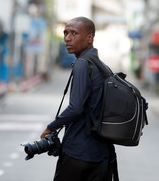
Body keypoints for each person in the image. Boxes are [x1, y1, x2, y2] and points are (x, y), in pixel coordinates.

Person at [40, 17, 116, 181]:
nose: (67, 38)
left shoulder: (83, 64)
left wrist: (50, 128)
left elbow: (76, 108)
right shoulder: (104, 68)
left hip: (78, 153)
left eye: (74, 33)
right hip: (103, 155)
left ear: (90, 38)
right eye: (65, 33)